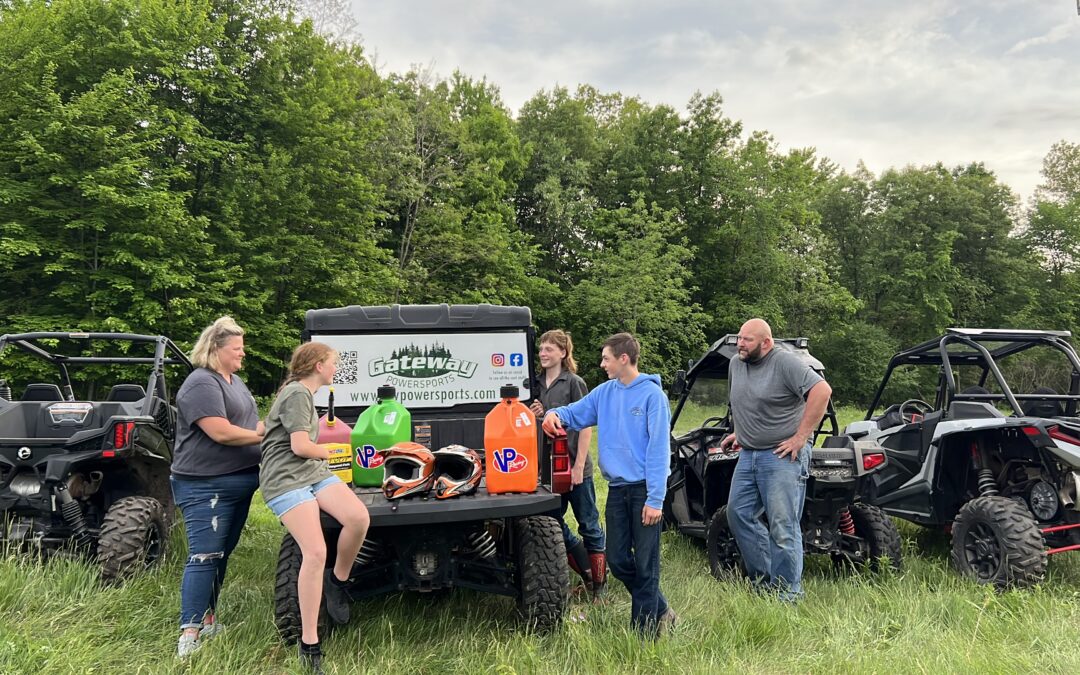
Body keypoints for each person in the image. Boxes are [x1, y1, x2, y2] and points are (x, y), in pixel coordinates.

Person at [541, 332, 675, 637]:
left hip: (644, 490)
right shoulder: (605, 393)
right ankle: (662, 609)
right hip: (617, 490)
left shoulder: (653, 397)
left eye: (606, 358)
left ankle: (644, 636)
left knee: (646, 564)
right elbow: (574, 413)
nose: (602, 364)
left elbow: (658, 450)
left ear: (623, 359)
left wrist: (655, 499)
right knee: (616, 559)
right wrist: (552, 414)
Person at [261, 342, 370, 673]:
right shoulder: (296, 393)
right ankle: (310, 644)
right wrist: (334, 452)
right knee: (316, 552)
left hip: (310, 473)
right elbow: (299, 446)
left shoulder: (304, 394)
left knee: (357, 518)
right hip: (286, 479)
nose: (336, 368)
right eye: (333, 363)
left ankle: (338, 583)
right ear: (318, 365)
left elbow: (269, 430)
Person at [719, 318, 832, 602]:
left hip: (782, 456)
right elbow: (746, 401)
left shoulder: (785, 363)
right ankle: (763, 582)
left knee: (783, 525)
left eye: (746, 340)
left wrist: (801, 437)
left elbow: (822, 391)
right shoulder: (736, 364)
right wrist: (739, 432)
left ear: (766, 343)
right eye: (739, 339)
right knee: (738, 513)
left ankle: (787, 593)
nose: (740, 345)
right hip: (749, 455)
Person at [171, 316, 265, 658]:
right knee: (204, 554)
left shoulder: (233, 381)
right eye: (237, 349)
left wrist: (268, 428)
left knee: (221, 554)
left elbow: (246, 422)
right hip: (205, 485)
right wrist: (263, 434)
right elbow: (221, 432)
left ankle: (209, 620)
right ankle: (189, 635)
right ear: (216, 349)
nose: (243, 354)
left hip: (239, 480)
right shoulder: (201, 384)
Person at [529, 330, 606, 600]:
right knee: (551, 522)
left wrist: (578, 466)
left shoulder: (574, 382)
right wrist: (534, 414)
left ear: (563, 353)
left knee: (589, 524)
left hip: (575, 468)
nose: (543, 353)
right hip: (547, 469)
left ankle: (599, 588)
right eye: (541, 348)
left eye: (549, 349)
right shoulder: (534, 384)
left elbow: (585, 425)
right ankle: (585, 571)